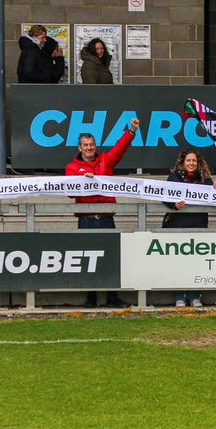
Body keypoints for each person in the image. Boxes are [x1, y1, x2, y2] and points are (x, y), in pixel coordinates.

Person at [65, 118, 141, 308]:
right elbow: (69, 192)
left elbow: (120, 148)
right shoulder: (71, 168)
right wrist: (84, 181)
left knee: (110, 257)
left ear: (95, 146)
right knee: (87, 258)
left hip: (106, 218)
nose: (89, 148)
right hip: (86, 220)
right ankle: (91, 299)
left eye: (91, 144)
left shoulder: (105, 161)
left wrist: (131, 131)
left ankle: (112, 298)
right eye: (85, 145)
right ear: (79, 148)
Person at [163, 149, 216, 307]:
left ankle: (194, 295)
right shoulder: (174, 178)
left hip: (198, 225)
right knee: (178, 262)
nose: (191, 163)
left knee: (196, 262)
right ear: (183, 163)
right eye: (188, 161)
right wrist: (173, 205)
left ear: (198, 163)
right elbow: (163, 195)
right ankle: (179, 296)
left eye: (194, 161)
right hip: (177, 225)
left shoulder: (204, 178)